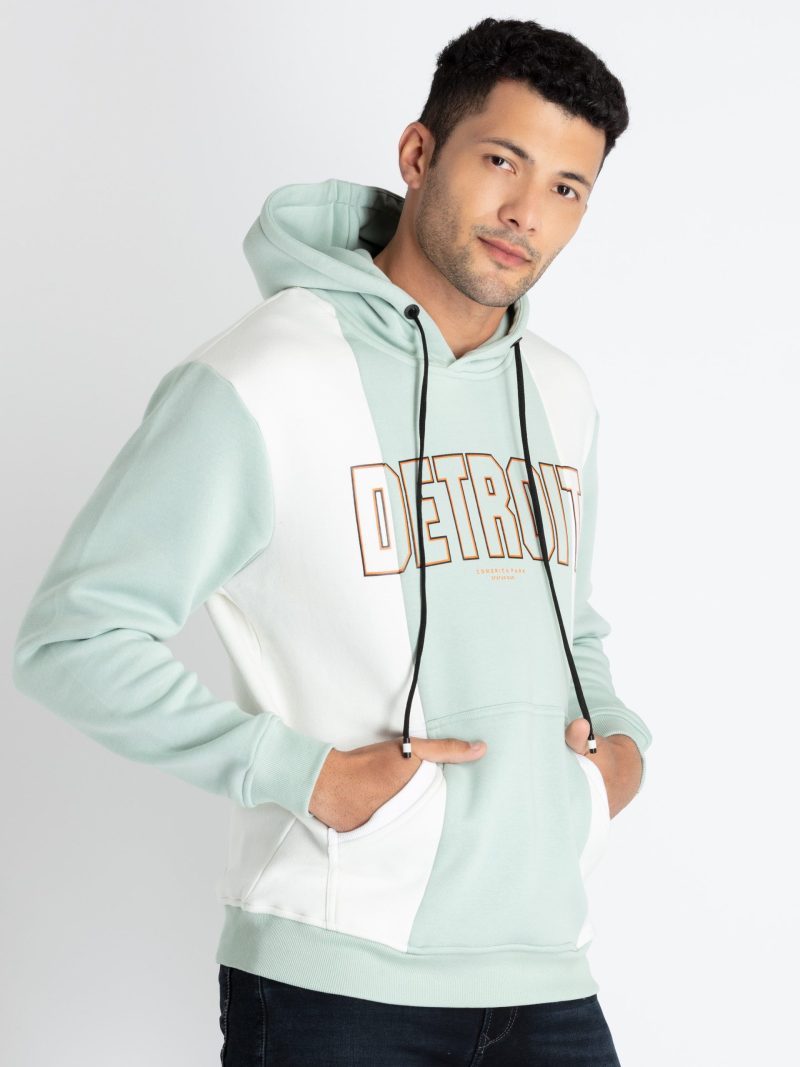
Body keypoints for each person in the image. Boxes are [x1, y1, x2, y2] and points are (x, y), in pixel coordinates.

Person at [12, 15, 653, 1066]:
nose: (525, 213)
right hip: (337, 984)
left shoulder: (561, 393)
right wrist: (297, 771)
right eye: (502, 160)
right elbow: (72, 638)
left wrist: (617, 744)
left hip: (547, 970)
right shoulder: (262, 376)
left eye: (566, 187)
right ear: (419, 153)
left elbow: (566, 622)